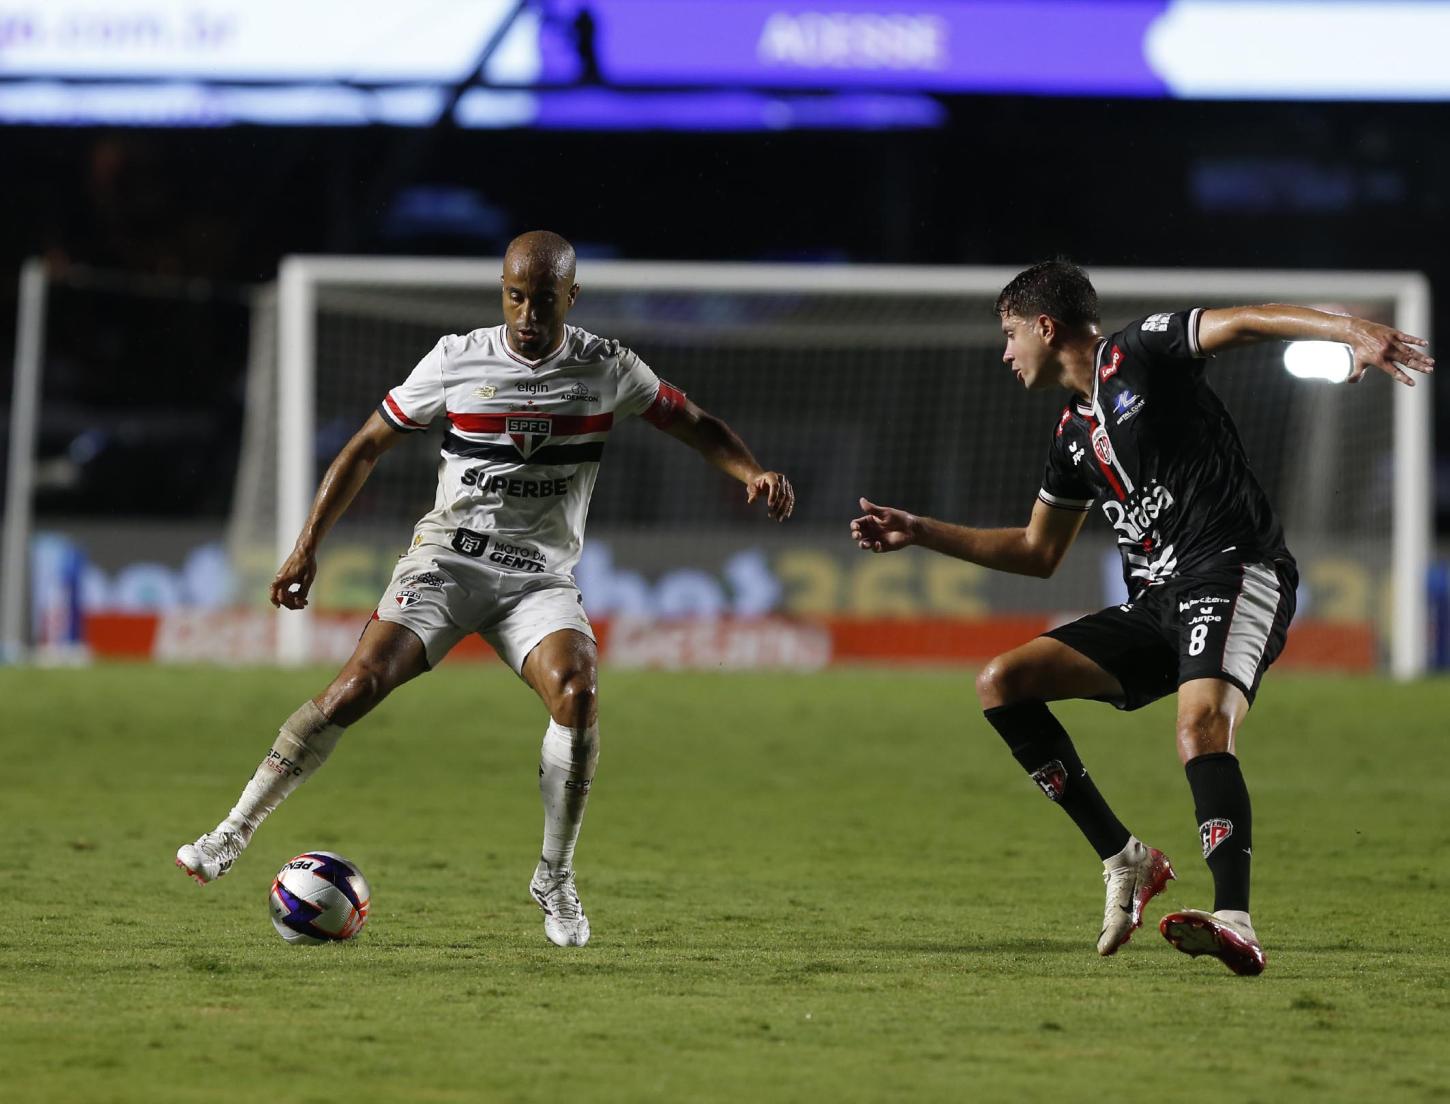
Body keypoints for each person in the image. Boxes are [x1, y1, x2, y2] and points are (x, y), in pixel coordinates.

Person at [177, 230, 796, 947]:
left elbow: (694, 424)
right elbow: (366, 445)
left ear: (572, 297)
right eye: (515, 297)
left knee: (578, 693)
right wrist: (305, 547)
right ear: (501, 292)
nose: (527, 315)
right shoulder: (455, 359)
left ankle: (554, 877)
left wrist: (751, 471)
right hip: (448, 562)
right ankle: (232, 831)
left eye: (543, 300)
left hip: (538, 578)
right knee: (355, 687)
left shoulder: (607, 367)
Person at [850, 260, 1432, 975]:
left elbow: (1245, 321)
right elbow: (1037, 551)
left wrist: (1350, 330)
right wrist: (919, 530)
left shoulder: (1141, 351)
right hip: (1156, 604)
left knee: (1200, 725)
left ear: (1045, 327)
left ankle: (1235, 919)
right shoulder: (1071, 436)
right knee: (1002, 682)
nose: (1005, 352)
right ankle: (1126, 859)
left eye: (1009, 334)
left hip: (1233, 568)